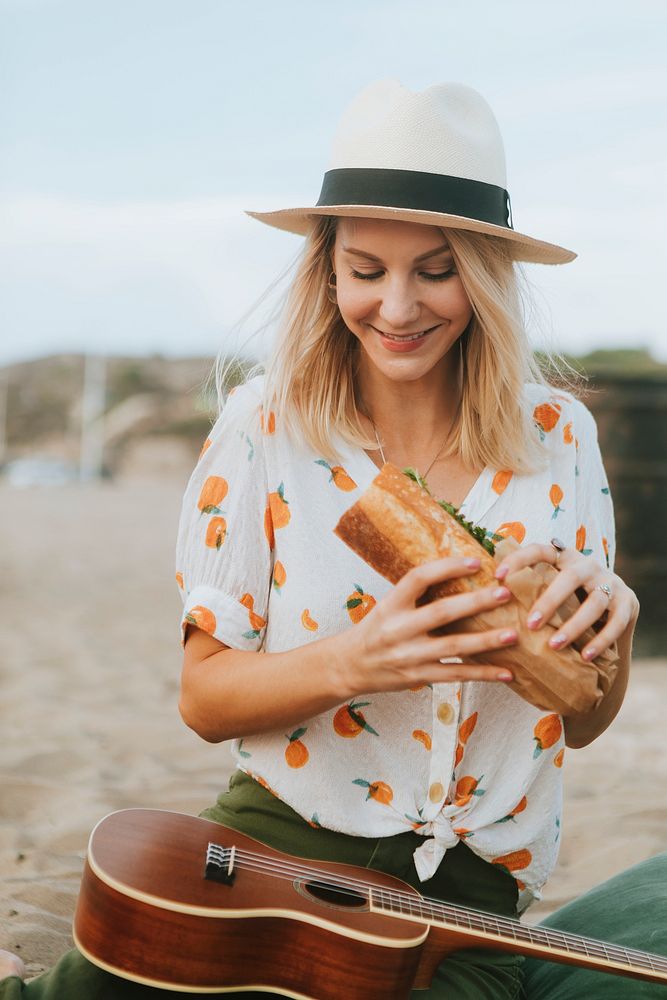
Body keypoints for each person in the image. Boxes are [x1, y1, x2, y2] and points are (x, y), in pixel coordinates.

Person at [0, 79, 657, 1000]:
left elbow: (582, 722)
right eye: (365, 269)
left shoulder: (558, 437)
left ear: (486, 275)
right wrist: (357, 659)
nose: (396, 307)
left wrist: (610, 636)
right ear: (328, 271)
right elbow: (204, 696)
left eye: (436, 270)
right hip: (275, 846)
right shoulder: (263, 427)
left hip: (469, 891)